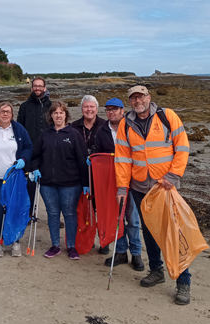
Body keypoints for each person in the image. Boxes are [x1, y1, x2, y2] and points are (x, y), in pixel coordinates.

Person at [114, 85, 193, 305]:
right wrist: (122, 188)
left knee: (174, 233)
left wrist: (173, 176)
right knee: (148, 231)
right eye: (133, 98)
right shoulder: (125, 124)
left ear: (149, 98)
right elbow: (122, 158)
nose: (137, 101)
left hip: (165, 187)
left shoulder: (167, 116)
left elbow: (183, 146)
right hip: (140, 187)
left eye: (140, 96)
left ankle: (183, 281)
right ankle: (157, 271)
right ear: (130, 102)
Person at [29, 101, 88, 260]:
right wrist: (35, 168)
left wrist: (86, 183)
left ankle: (71, 246)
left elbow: (82, 160)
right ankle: (55, 245)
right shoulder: (45, 134)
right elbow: (35, 156)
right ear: (51, 116)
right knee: (53, 213)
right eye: (55, 113)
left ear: (66, 115)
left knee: (69, 214)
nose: (58, 115)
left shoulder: (74, 134)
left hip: (70, 184)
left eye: (61, 112)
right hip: (47, 184)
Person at [91, 98, 144, 272]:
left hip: (133, 182)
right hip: (111, 182)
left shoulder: (132, 127)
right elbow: (97, 153)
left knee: (133, 219)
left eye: (114, 109)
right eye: (108, 110)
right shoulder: (101, 130)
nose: (111, 112)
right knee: (116, 218)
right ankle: (121, 251)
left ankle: (136, 253)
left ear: (123, 111)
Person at [0, 101, 33, 258]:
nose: (5, 114)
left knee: (14, 209)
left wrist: (23, 158)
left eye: (8, 111)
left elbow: (29, 147)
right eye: (2, 111)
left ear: (12, 114)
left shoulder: (19, 130)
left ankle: (15, 242)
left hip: (14, 178)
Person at [72, 94, 110, 254]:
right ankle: (83, 239)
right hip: (79, 176)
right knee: (81, 210)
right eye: (86, 107)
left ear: (97, 108)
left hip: (100, 177)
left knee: (101, 211)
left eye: (91, 107)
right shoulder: (73, 127)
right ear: (82, 109)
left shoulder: (105, 126)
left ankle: (104, 241)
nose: (89, 110)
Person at [17, 77, 52, 210]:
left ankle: (52, 214)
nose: (37, 88)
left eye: (40, 86)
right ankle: (29, 212)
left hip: (48, 152)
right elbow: (19, 129)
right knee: (30, 185)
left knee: (49, 186)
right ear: (32, 88)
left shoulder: (50, 106)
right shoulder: (25, 107)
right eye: (35, 86)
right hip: (30, 152)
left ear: (45, 88)